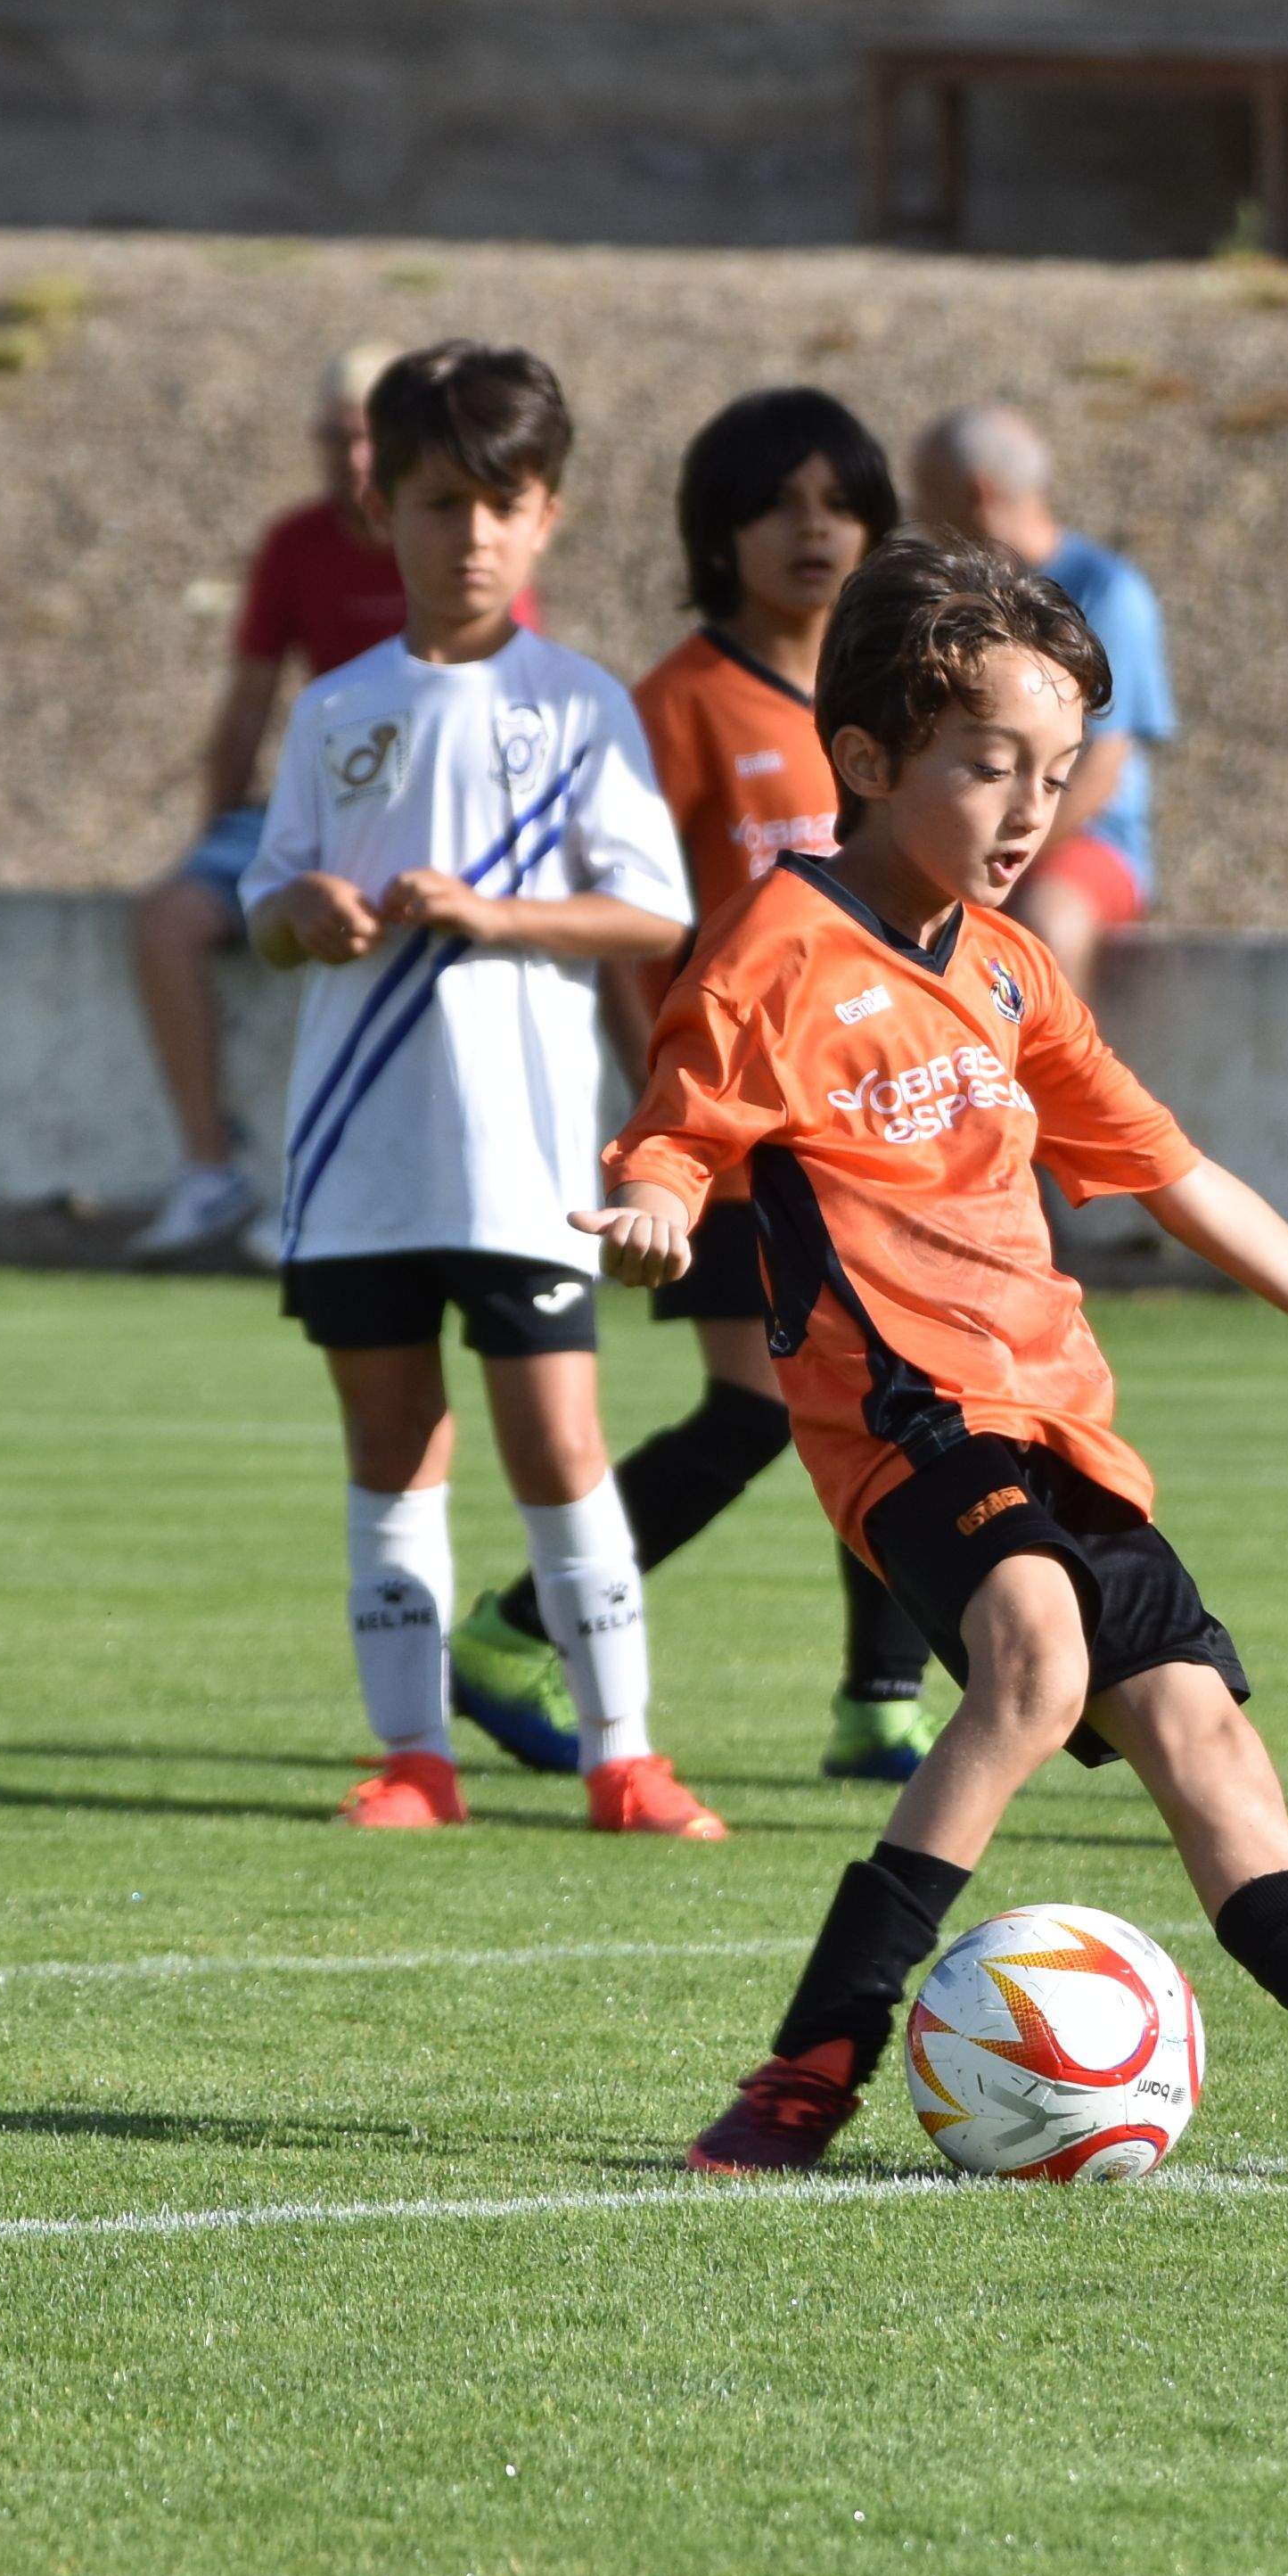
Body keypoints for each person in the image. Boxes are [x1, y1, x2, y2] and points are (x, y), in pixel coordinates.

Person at [582, 531, 1288, 2184]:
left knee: (1209, 1736)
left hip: (1061, 1429)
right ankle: (806, 2073)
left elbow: (1172, 1169)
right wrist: (653, 1205)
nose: (1028, 811)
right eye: (987, 765)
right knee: (1034, 1658)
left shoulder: (1010, 968)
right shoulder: (773, 948)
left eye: (1059, 771)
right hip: (910, 1428)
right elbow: (678, 1126)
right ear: (864, 761)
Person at [239, 341, 726, 1842]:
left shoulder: (579, 705)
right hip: (360, 1153)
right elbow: (261, 909)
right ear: (384, 508)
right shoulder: (337, 709)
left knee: (561, 1449)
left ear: (549, 518)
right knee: (392, 1447)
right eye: (441, 503)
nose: (472, 536)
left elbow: (651, 913)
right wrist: (305, 907)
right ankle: (414, 1760)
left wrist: (500, 917)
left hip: (522, 1158)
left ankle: (623, 1758)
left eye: (503, 504)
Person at [447, 388, 948, 1788]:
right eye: (776, 504)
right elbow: (631, 928)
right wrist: (664, 1118)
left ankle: (879, 1704)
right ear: (714, 533)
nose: (812, 530)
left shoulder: (893, 707)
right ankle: (512, 1629)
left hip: (883, 1130)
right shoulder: (675, 704)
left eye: (839, 504)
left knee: (903, 1401)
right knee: (759, 1409)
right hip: (730, 1135)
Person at [130, 342, 537, 1263]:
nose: (348, 460)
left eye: (365, 440)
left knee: (382, 925)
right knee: (166, 918)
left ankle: (351, 1190)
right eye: (332, 438)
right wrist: (224, 834)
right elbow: (248, 702)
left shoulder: (460, 535)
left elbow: (515, 700)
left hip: (438, 815)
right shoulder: (294, 543)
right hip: (317, 804)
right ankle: (209, 1170)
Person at [905, 404, 1175, 999]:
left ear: (977, 493)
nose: (914, 517)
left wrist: (997, 855)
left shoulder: (1109, 593)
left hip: (1084, 842)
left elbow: (1102, 774)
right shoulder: (950, 597)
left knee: (1051, 922)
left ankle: (1056, 1088)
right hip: (975, 838)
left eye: (924, 495)